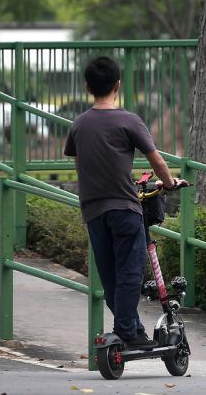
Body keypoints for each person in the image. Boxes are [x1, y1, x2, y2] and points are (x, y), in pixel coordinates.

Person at [64, 56, 187, 350]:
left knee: (110, 279)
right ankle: (128, 333)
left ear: (87, 87)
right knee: (130, 272)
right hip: (124, 207)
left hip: (93, 210)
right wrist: (169, 183)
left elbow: (82, 165)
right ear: (118, 84)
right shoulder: (129, 120)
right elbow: (154, 158)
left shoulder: (79, 124)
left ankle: (133, 331)